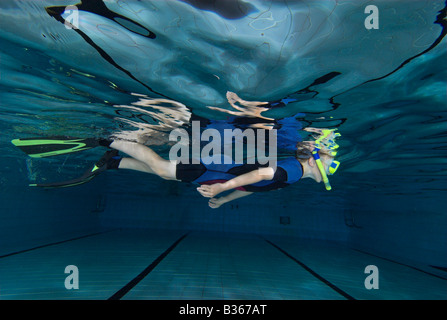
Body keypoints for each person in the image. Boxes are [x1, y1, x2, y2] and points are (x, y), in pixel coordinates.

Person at [12, 92, 340, 208]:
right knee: (161, 169)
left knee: (166, 175)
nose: (332, 161)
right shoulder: (297, 169)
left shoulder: (295, 176)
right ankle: (108, 139)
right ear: (315, 161)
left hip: (215, 169)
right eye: (331, 158)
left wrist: (224, 197)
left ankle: (114, 161)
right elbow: (265, 173)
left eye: (331, 160)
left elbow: (257, 186)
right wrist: (223, 186)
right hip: (213, 167)